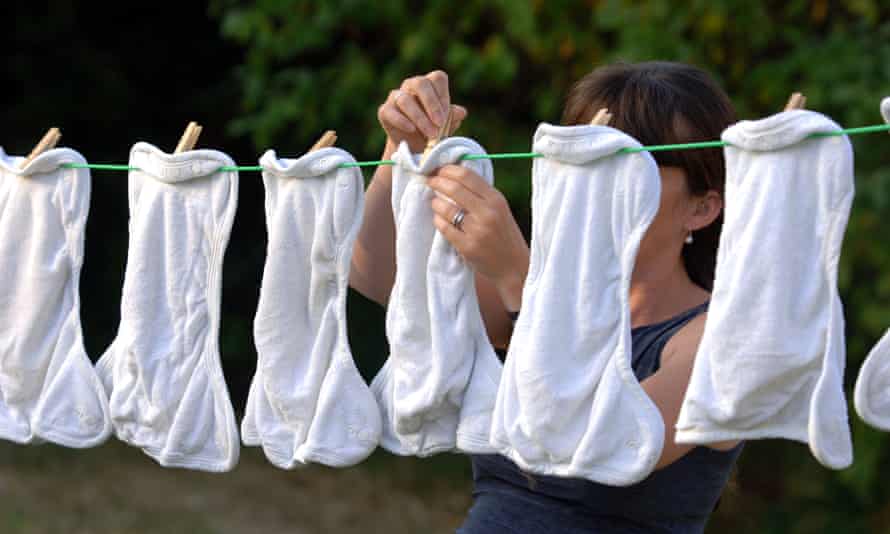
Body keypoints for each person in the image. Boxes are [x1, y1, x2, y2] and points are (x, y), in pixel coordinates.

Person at [349, 61, 743, 533]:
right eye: (576, 156)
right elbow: (374, 270)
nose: (591, 180)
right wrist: (403, 148)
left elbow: (615, 443)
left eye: (626, 163)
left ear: (702, 207)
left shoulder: (723, 340)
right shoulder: (543, 292)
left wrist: (519, 277)